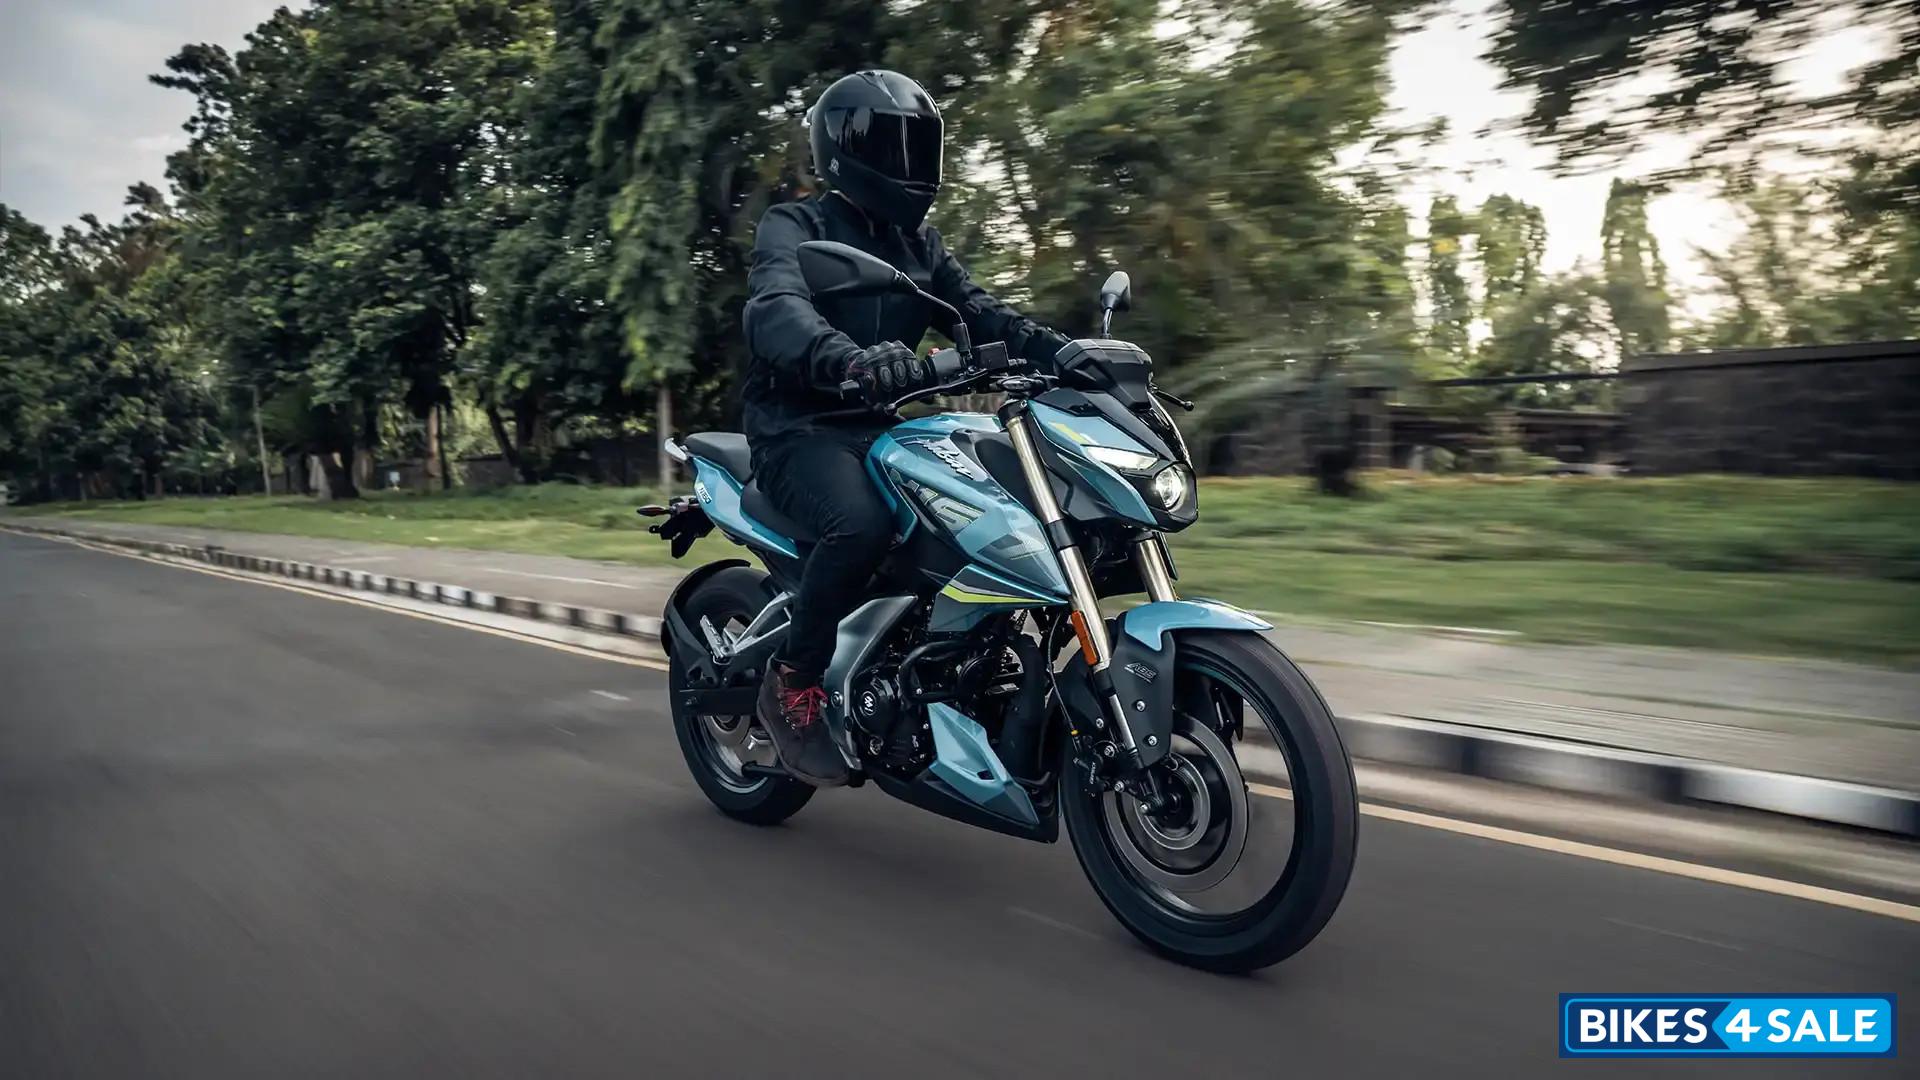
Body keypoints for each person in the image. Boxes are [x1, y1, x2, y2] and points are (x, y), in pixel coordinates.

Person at [741, 69, 1071, 786]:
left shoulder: (921, 245)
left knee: (985, 519)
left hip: (881, 431)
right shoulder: (795, 226)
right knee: (860, 526)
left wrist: (1068, 354)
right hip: (799, 430)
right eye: (894, 147)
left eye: (920, 146)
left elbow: (983, 313)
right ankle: (792, 681)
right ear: (846, 150)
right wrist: (848, 359)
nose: (911, 163)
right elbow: (776, 309)